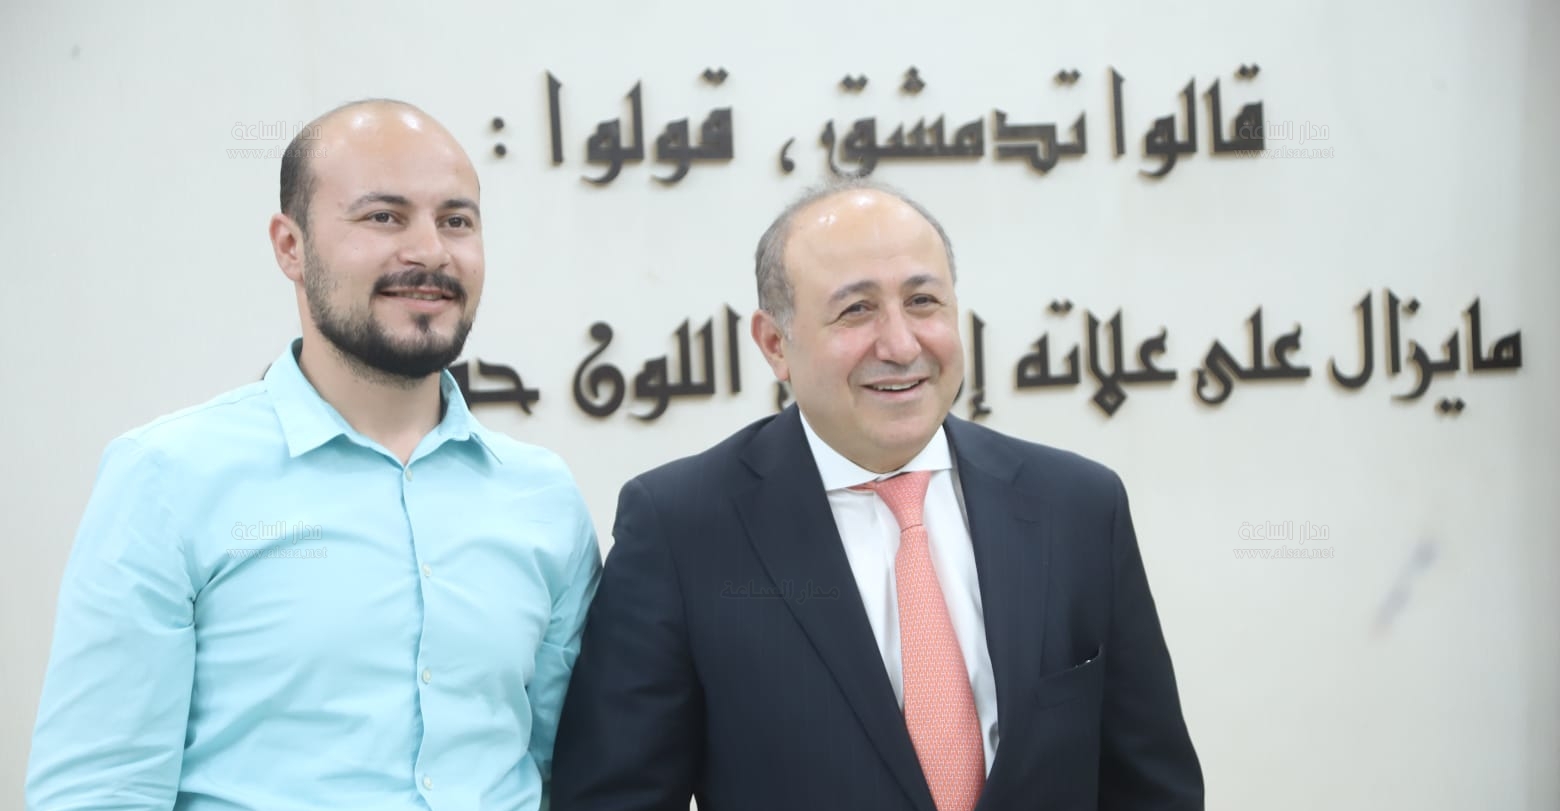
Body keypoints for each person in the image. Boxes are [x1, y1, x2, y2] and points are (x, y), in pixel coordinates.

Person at [550, 179, 1202, 810]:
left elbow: (1153, 790)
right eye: (857, 309)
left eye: (923, 301)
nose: (900, 343)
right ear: (775, 344)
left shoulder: (1078, 507)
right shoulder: (682, 529)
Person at [26, 100, 600, 811]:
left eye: (456, 220)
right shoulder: (167, 479)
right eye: (384, 216)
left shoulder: (542, 497)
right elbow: (99, 791)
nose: (430, 251)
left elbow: (563, 775)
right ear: (290, 246)